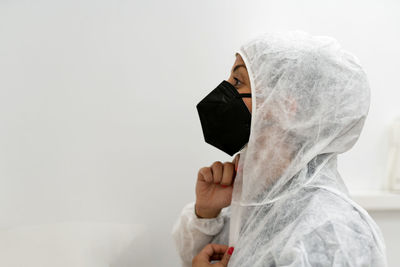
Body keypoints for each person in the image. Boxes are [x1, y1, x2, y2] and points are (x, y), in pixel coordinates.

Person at [172, 31, 387, 267]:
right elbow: (200, 258)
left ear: (286, 105)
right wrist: (206, 213)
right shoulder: (254, 205)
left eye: (238, 81)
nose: (224, 92)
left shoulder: (328, 231)